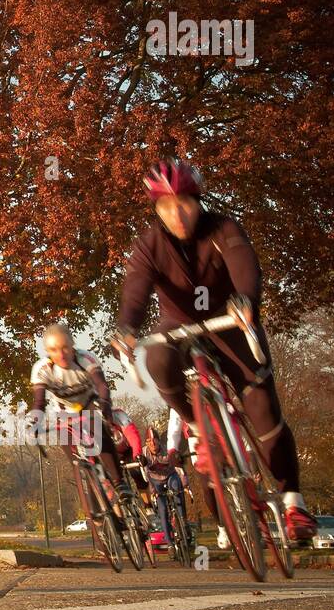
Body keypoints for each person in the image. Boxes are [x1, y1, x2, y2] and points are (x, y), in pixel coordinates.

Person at [111, 160, 316, 544]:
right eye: (166, 206)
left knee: (264, 413)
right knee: (157, 359)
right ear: (155, 210)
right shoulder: (149, 245)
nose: (177, 213)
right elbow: (136, 288)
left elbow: (243, 263)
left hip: (230, 323)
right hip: (178, 327)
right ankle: (194, 423)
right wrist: (127, 327)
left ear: (198, 201)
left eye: (185, 202)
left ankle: (293, 502)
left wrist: (245, 299)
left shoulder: (222, 228)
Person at [30, 323, 128, 525]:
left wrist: (106, 405)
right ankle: (98, 514)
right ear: (47, 352)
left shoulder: (85, 359)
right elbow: (39, 402)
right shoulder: (42, 369)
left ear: (73, 345)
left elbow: (102, 386)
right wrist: (35, 423)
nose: (61, 354)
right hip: (63, 414)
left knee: (99, 436)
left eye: (65, 347)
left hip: (88, 404)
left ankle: (120, 484)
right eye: (54, 350)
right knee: (78, 462)